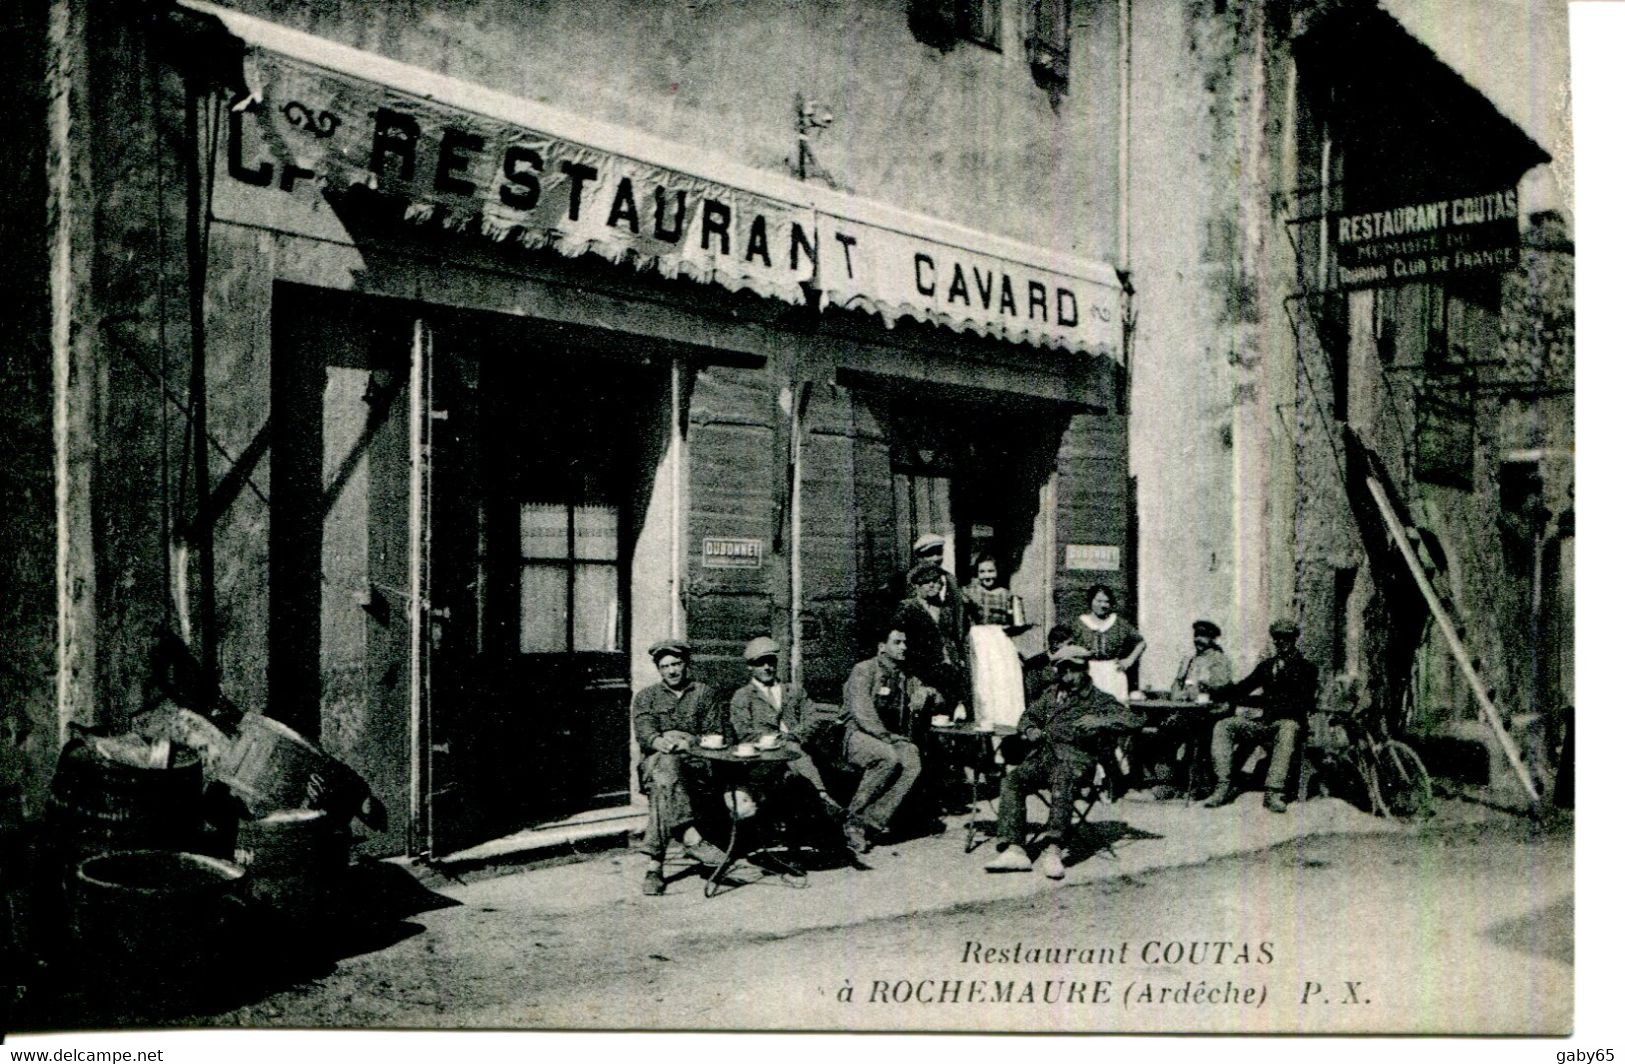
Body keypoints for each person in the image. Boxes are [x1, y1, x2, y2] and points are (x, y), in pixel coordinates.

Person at [984, 645, 1143, 878]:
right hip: (1044, 757)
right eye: (1063, 671)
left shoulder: (1099, 699)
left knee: (1062, 777)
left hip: (1077, 761)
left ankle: (1054, 848)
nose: (1067, 677)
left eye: (1073, 671)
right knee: (1012, 780)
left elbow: (1134, 720)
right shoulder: (1052, 694)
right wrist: (1030, 730)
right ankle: (1015, 849)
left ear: (1085, 670)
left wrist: (1101, 721)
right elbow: (1028, 716)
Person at [630, 640, 731, 896]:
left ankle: (655, 868)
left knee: (664, 783)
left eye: (676, 664)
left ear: (686, 664)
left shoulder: (704, 693)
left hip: (696, 765)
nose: (672, 671)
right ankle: (690, 836)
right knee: (666, 767)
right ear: (658, 669)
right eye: (665, 666)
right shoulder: (646, 697)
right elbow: (645, 734)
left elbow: (714, 733)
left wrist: (686, 740)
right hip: (657, 763)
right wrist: (662, 740)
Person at [1202, 618, 1319, 814]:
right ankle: (1223, 785)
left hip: (1288, 723)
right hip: (1265, 723)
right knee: (1224, 725)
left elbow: (1303, 703)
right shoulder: (1266, 666)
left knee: (1288, 728)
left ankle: (1274, 792)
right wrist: (1214, 692)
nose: (1282, 643)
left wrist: (1265, 703)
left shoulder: (1307, 668)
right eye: (1278, 639)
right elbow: (1243, 688)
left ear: (1294, 640)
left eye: (1286, 639)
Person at [727, 636, 845, 822]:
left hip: (796, 749)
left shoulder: (793, 691)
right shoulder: (743, 696)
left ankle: (816, 808)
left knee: (793, 753)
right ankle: (821, 796)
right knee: (792, 754)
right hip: (762, 758)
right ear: (750, 666)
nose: (767, 667)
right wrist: (776, 740)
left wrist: (794, 735)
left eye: (771, 661)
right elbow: (744, 731)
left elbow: (812, 717)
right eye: (760, 663)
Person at [839, 627, 926, 854]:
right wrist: (889, 738)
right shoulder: (864, 670)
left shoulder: (904, 675)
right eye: (897, 642)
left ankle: (871, 820)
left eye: (905, 643)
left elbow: (928, 692)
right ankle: (853, 821)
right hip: (856, 734)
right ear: (881, 647)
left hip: (886, 737)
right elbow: (862, 712)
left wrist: (926, 694)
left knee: (912, 758)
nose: (904, 647)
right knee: (887, 756)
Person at [1072, 584, 1146, 702]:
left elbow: (1141, 642)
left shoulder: (1118, 623)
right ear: (1091, 601)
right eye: (1099, 601)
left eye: (1106, 602)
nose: (1103, 605)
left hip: (1113, 673)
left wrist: (1129, 660)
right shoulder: (1079, 624)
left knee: (1115, 711)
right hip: (1088, 672)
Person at [1172, 620, 1233, 698]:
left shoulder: (1218, 659)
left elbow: (1218, 688)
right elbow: (1177, 684)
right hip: (1186, 707)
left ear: (1213, 639)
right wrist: (1177, 698)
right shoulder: (1188, 661)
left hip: (1208, 707)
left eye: (1203, 635)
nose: (1198, 639)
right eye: (1196, 635)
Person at [962, 554, 1015, 627]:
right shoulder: (971, 593)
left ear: (998, 571)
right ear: (977, 573)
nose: (987, 576)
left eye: (991, 571)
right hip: (979, 635)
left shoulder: (1006, 594)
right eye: (982, 572)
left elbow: (1011, 622)